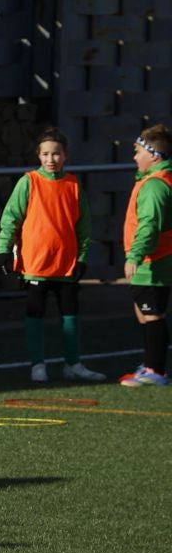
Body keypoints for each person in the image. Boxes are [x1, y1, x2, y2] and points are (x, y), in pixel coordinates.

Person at [0, 127, 103, 382]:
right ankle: (37, 365)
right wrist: (3, 250)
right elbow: (11, 217)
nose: (51, 159)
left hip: (65, 263)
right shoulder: (29, 181)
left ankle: (73, 364)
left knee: (70, 313)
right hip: (35, 263)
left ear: (65, 155)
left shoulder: (74, 185)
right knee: (35, 311)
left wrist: (82, 257)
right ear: (38, 156)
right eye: (45, 154)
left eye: (56, 154)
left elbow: (83, 226)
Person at [119, 124, 172, 387]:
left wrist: (135, 256)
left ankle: (156, 370)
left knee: (152, 313)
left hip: (155, 259)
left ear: (153, 155)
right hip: (154, 259)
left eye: (137, 151)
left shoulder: (155, 185)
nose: (134, 156)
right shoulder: (154, 181)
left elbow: (150, 225)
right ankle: (151, 363)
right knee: (143, 310)